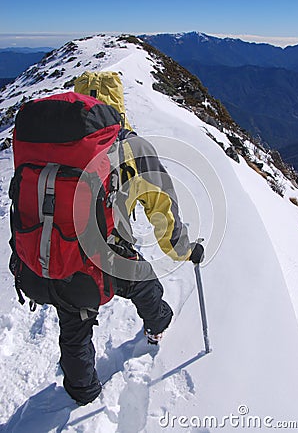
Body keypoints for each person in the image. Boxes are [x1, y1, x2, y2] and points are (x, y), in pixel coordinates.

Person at [9, 72, 205, 406]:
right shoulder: (128, 145)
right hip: (97, 261)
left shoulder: (42, 141)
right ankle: (158, 326)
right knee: (143, 280)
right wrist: (185, 250)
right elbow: (162, 208)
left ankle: (82, 392)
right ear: (118, 104)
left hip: (34, 263)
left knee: (74, 325)